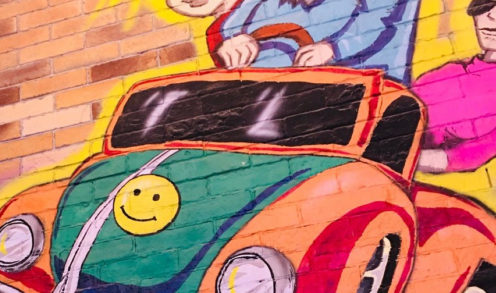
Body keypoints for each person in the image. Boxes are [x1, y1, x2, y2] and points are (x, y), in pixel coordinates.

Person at [167, 0, 422, 84]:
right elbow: (237, 21)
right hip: (284, 108)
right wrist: (231, 42)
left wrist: (333, 48)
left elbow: (381, 18)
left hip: (368, 95)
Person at [413, 0, 496, 172]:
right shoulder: (446, 73)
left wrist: (400, 160)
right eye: (486, 5)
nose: (491, 15)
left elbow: (468, 155)